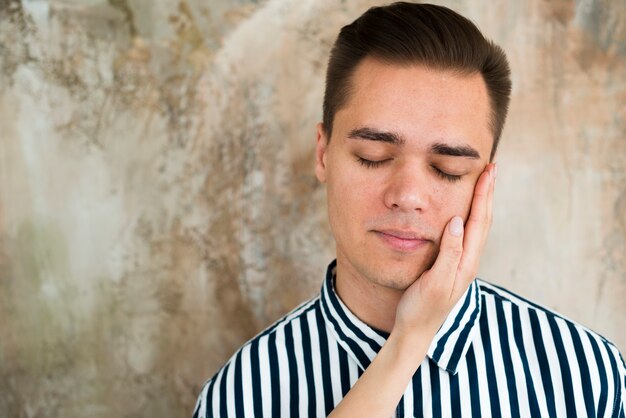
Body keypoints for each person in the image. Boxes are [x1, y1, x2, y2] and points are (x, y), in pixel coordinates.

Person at [193, 2, 626, 417]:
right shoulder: (239, 397)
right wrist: (409, 340)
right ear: (323, 153)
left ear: (485, 182)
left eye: (447, 169)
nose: (408, 195)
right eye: (374, 156)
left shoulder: (586, 376)